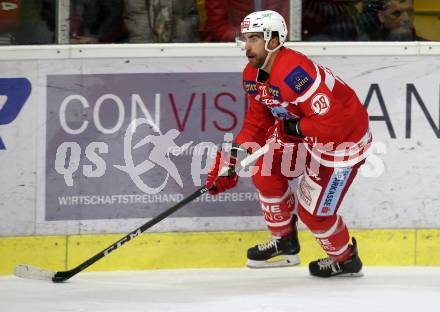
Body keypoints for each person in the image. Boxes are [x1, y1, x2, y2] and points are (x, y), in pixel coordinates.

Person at [206, 10, 372, 277]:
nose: (247, 46)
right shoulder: (252, 74)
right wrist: (232, 161)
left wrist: (292, 128)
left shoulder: (295, 73)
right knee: (264, 170)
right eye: (245, 38)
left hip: (343, 141)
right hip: (305, 131)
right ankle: (284, 241)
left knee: (314, 215)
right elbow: (256, 124)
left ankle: (345, 259)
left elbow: (333, 124)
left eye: (255, 39)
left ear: (273, 41)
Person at [201, 0, 288, 42]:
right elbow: (217, 25)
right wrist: (246, 36)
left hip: (279, 45)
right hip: (232, 48)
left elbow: (291, 20)